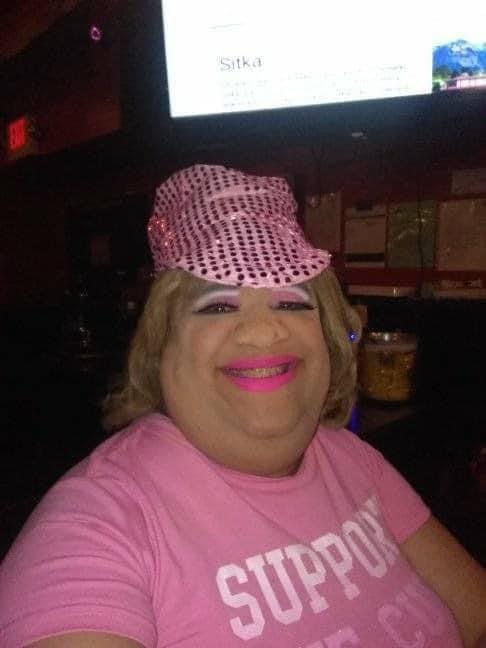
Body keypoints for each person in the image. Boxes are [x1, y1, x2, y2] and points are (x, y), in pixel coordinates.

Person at [0, 164, 485, 648]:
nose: (263, 331)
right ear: (161, 345)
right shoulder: (97, 522)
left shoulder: (352, 459)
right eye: (217, 305)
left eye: (291, 302)